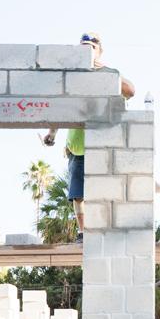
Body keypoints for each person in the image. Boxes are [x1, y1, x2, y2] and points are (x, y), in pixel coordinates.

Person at [44, 32, 136, 241]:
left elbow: (130, 91)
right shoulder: (72, 76)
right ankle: (83, 232)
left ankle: (109, 228)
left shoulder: (107, 74)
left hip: (103, 146)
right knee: (78, 193)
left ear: (99, 51)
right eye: (82, 47)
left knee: (106, 190)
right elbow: (61, 107)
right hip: (77, 146)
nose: (86, 50)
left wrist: (103, 72)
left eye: (91, 47)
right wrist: (52, 133)